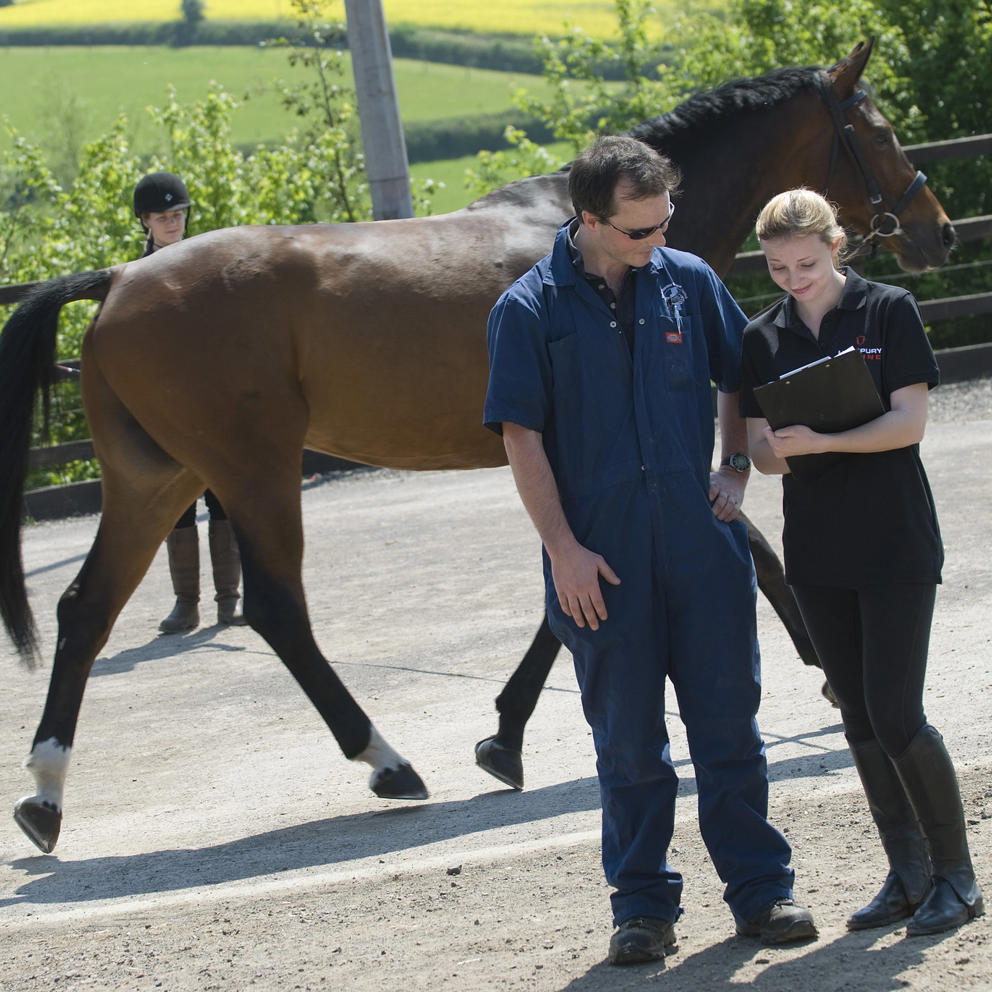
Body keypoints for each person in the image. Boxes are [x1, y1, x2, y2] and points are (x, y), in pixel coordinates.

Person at [483, 135, 816, 965]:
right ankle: (641, 907)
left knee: (730, 728)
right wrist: (563, 551)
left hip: (702, 549)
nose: (659, 239)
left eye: (666, 221)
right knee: (629, 745)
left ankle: (762, 891)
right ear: (589, 219)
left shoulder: (688, 281)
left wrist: (734, 465)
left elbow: (741, 373)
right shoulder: (527, 309)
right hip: (601, 565)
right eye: (641, 230)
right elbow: (520, 437)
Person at [739, 188, 984, 937]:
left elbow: (909, 424)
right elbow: (758, 451)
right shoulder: (760, 336)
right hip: (817, 550)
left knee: (896, 712)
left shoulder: (888, 310)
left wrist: (825, 441)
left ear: (836, 245)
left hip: (895, 539)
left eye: (807, 264)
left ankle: (958, 877)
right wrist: (777, 451)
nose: (794, 279)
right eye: (778, 268)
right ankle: (908, 875)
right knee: (857, 714)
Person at [133, 171, 247, 632]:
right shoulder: (136, 279)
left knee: (223, 498)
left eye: (178, 214)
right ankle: (186, 603)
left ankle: (229, 601)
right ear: (145, 221)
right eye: (163, 216)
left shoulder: (205, 266)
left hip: (212, 402)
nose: (173, 222)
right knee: (178, 505)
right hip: (166, 407)